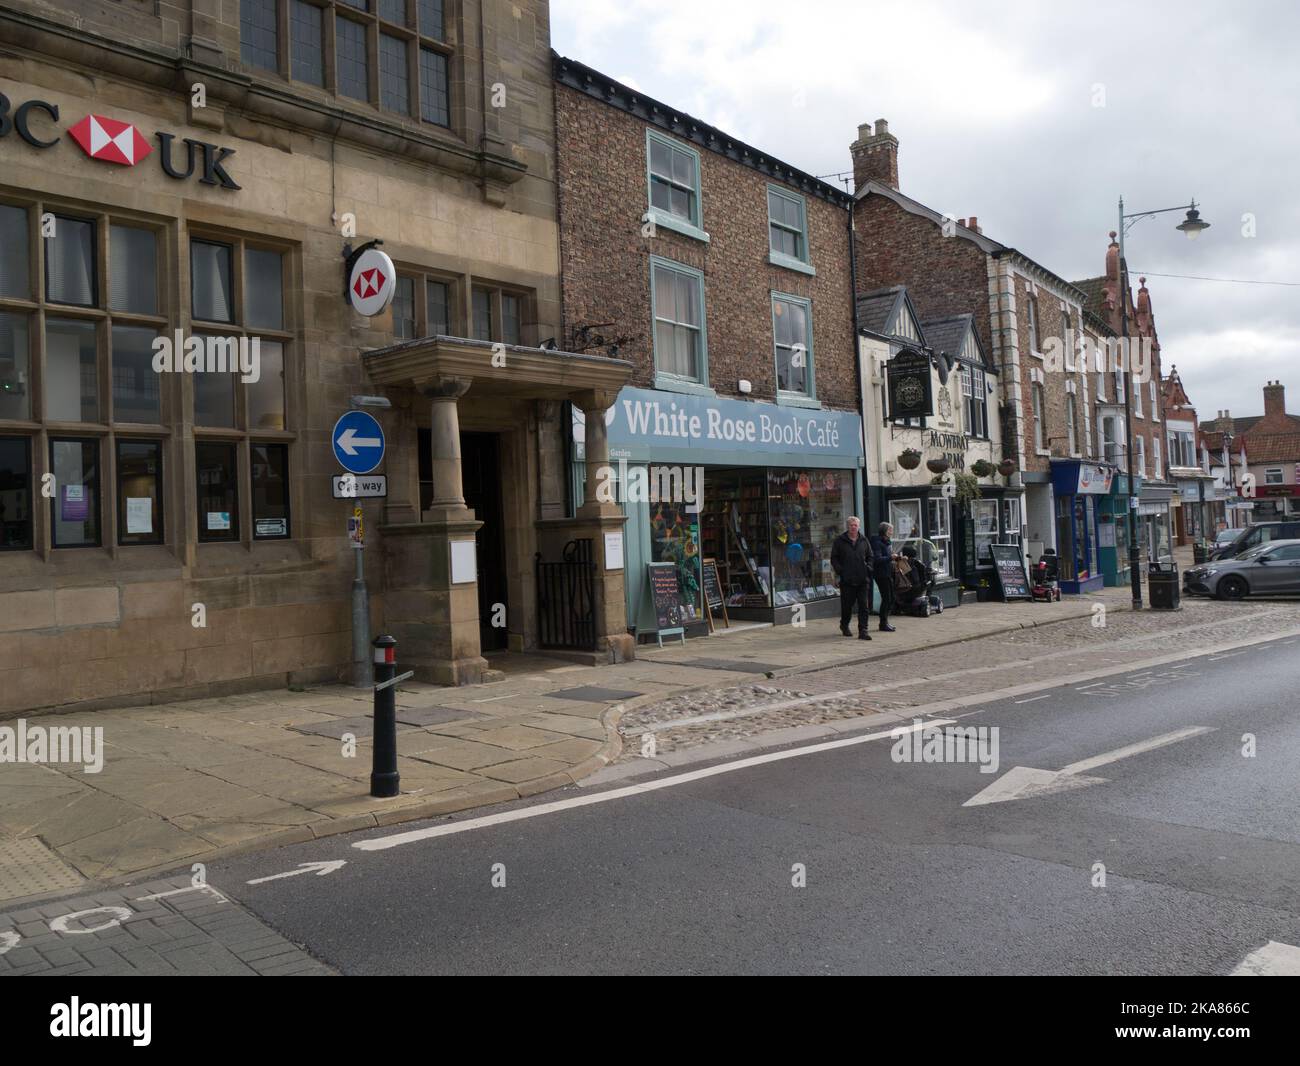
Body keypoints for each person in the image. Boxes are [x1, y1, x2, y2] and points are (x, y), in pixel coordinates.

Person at [830, 515, 872, 640]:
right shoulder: (839, 541)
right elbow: (834, 558)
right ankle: (844, 625)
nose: (853, 527)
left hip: (862, 579)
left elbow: (870, 556)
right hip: (847, 580)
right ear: (847, 526)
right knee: (847, 606)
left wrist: (869, 567)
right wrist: (840, 571)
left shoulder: (864, 540)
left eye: (855, 525)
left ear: (859, 526)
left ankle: (863, 630)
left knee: (864, 606)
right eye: (851, 525)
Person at [869, 521, 900, 632]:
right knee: (887, 598)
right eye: (890, 530)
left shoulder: (887, 542)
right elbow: (877, 559)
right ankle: (883, 623)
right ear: (884, 531)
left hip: (888, 572)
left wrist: (897, 558)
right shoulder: (877, 542)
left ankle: (885, 621)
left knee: (891, 598)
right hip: (881, 574)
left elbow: (888, 557)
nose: (891, 532)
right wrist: (890, 558)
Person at [897, 544, 939, 616]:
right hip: (916, 588)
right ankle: (928, 598)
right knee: (930, 582)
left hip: (901, 589)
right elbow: (918, 579)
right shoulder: (917, 564)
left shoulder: (900, 563)